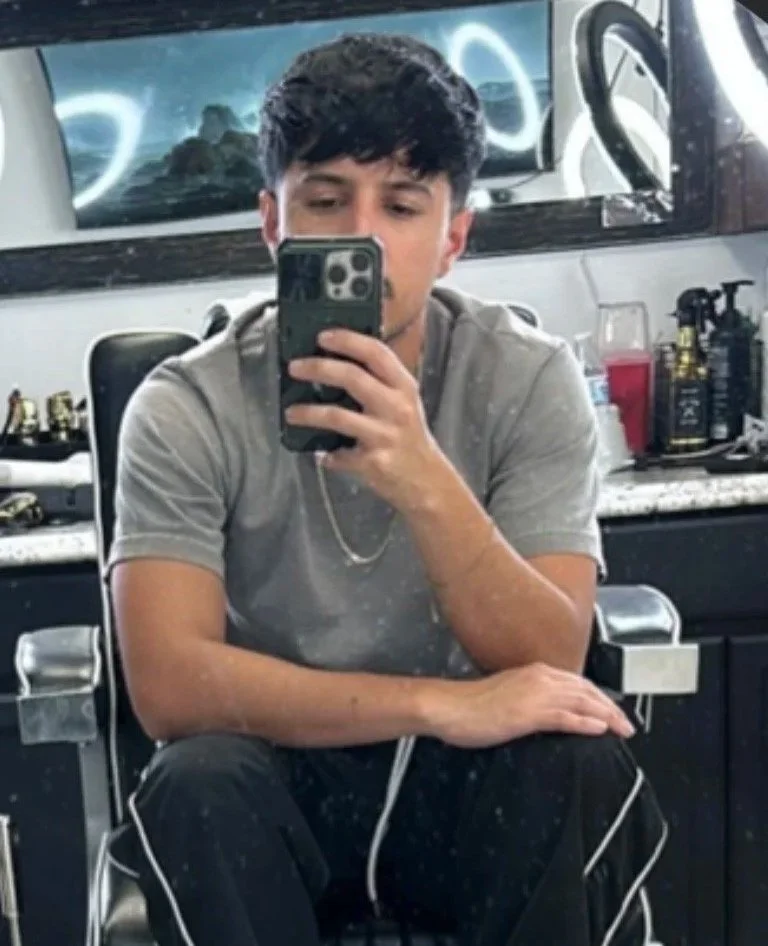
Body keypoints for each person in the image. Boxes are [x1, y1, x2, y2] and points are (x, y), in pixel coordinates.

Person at [107, 31, 667, 946]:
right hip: (281, 780)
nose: (361, 234)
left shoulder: (527, 378)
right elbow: (169, 687)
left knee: (574, 761)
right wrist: (437, 703)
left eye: (402, 205)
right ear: (273, 223)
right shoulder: (185, 406)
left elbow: (549, 654)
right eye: (326, 200)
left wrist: (424, 479)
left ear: (454, 239)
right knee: (194, 781)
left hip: (465, 793)